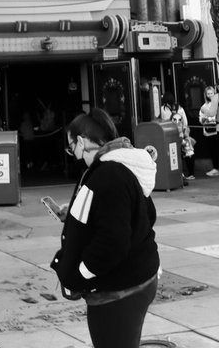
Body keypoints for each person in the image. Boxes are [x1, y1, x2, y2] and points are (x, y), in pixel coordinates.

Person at [50, 109, 159, 348]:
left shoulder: (109, 174)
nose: (75, 156)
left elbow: (113, 242)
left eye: (72, 148)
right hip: (134, 280)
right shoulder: (120, 166)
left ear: (81, 141)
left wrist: (82, 272)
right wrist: (78, 212)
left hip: (118, 290)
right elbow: (141, 214)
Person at [160, 94, 195, 182]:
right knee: (185, 152)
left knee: (180, 152)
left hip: (172, 133)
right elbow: (185, 122)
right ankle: (189, 173)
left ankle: (183, 173)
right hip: (180, 133)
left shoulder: (163, 108)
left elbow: (163, 121)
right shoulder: (180, 108)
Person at [199, 85, 219, 178]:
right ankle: (216, 168)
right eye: (208, 94)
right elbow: (202, 119)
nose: (210, 95)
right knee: (213, 150)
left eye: (211, 93)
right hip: (209, 131)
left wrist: (208, 115)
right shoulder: (204, 105)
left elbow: (212, 114)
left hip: (218, 128)